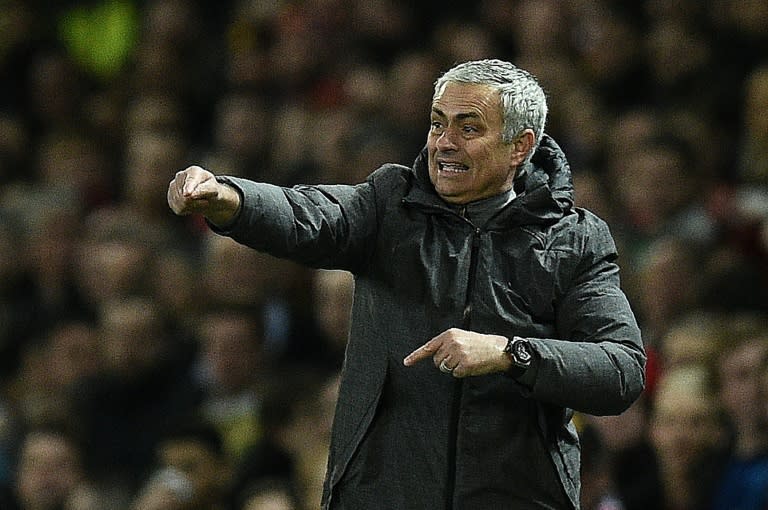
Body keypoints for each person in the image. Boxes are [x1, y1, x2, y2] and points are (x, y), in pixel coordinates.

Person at [167, 59, 646, 509]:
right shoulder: (390, 206)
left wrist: (510, 353)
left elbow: (620, 369)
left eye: (469, 128)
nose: (443, 142)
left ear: (520, 146)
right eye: (438, 123)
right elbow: (310, 214)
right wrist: (229, 196)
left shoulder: (575, 239)